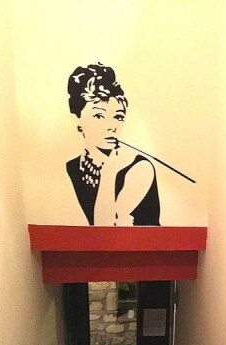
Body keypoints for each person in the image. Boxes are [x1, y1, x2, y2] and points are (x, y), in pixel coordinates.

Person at [66, 63, 160, 226]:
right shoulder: (72, 167)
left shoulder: (139, 167)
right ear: (78, 119)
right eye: (99, 115)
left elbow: (104, 229)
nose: (112, 126)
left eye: (118, 117)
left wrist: (109, 173)